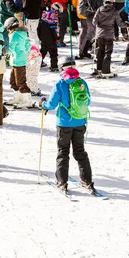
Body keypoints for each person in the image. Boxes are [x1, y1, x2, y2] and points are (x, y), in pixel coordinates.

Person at [41, 63, 93, 193]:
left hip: (64, 123)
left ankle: (62, 182)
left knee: (63, 152)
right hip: (80, 122)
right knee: (80, 152)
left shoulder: (60, 84)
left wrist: (43, 104)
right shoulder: (81, 83)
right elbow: (88, 101)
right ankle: (87, 181)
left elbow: (52, 104)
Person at [92, 0, 124, 78]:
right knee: (108, 52)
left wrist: (98, 25)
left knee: (100, 51)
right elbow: (120, 23)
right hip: (109, 34)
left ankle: (99, 68)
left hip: (99, 34)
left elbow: (94, 21)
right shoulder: (114, 11)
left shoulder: (100, 9)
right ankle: (106, 71)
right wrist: (126, 25)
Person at [4, 16, 32, 107]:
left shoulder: (14, 35)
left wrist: (3, 52)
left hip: (18, 61)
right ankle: (18, 97)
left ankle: (28, 100)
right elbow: (28, 46)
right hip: (19, 60)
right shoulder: (23, 34)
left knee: (20, 82)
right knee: (13, 81)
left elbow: (10, 49)